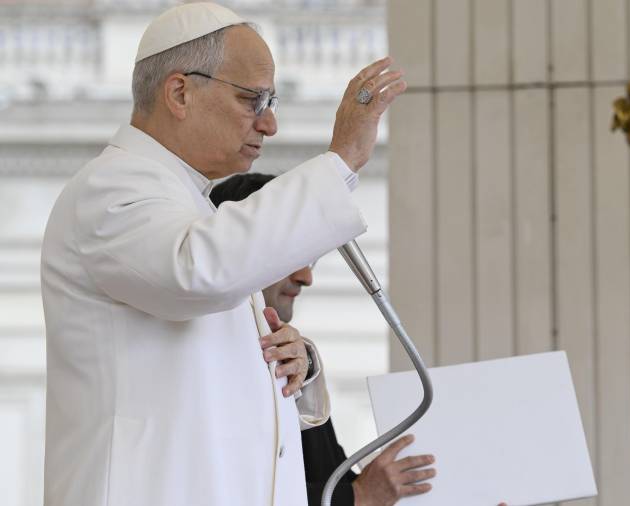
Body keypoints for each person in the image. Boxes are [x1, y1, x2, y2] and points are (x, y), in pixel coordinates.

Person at [40, 2, 406, 505]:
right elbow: (200, 273)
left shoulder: (192, 203)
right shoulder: (110, 188)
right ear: (180, 93)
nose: (269, 124)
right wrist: (341, 160)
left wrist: (290, 362)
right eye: (253, 99)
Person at [210, 174, 437, 506]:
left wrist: (384, 486)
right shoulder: (207, 362)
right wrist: (358, 495)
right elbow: (231, 490)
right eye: (293, 255)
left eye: (311, 258)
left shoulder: (293, 355)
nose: (307, 277)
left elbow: (326, 474)